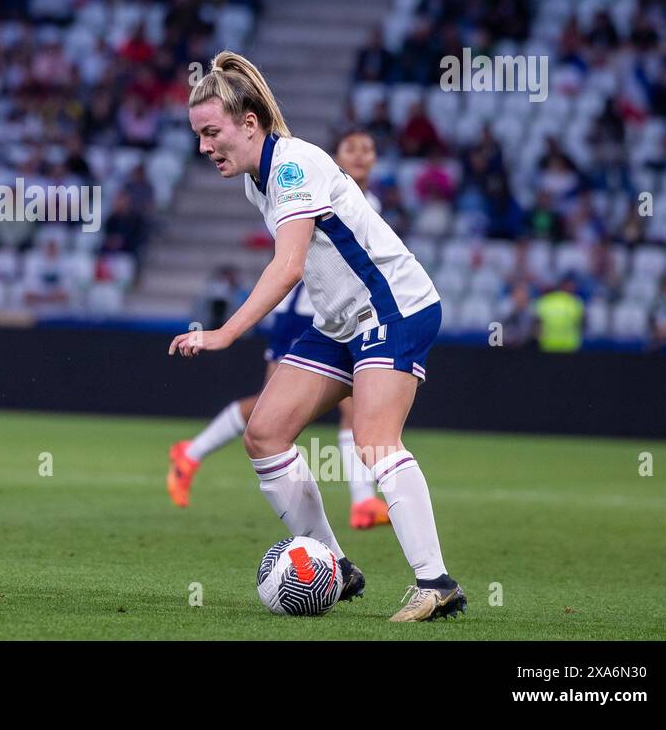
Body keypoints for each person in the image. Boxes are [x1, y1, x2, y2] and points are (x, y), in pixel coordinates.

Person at [168, 51, 462, 623]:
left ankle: (436, 584)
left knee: (376, 439)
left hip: (393, 309)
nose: (203, 148)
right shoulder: (260, 179)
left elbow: (290, 265)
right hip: (340, 323)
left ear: (248, 123)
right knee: (265, 433)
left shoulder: (293, 165)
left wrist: (225, 332)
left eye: (211, 133)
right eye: (198, 136)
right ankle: (334, 563)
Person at [168, 130, 391, 531]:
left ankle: (362, 502)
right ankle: (191, 451)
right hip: (302, 313)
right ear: (336, 155)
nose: (360, 156)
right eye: (351, 148)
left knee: (350, 404)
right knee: (266, 408)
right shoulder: (307, 180)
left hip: (343, 314)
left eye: (368, 148)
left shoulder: (367, 203)